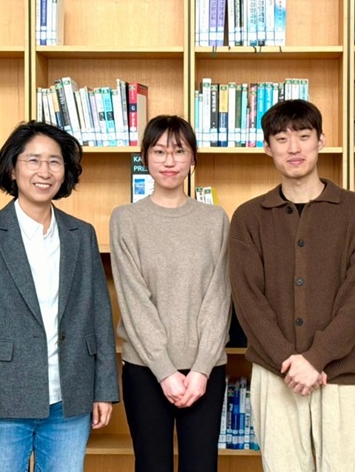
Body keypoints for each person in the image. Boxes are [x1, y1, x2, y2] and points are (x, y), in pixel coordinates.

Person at [229, 99, 355, 472]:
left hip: (344, 375)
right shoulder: (248, 217)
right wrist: (289, 361)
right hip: (276, 373)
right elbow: (248, 299)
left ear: (321, 140)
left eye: (303, 136)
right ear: (267, 148)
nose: (294, 148)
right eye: (281, 139)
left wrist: (316, 358)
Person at [0, 121, 118, 472]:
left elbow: (99, 315)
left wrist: (104, 390)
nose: (44, 171)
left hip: (69, 400)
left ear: (65, 172)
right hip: (2, 402)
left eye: (55, 161)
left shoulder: (81, 234)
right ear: (12, 169)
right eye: (33, 160)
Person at [110, 115, 231, 472]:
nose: (169, 161)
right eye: (159, 151)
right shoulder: (126, 219)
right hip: (145, 369)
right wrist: (164, 370)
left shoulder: (216, 219)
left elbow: (219, 297)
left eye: (179, 151)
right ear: (144, 157)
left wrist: (201, 368)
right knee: (152, 465)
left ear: (193, 158)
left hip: (205, 371)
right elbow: (133, 300)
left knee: (202, 466)